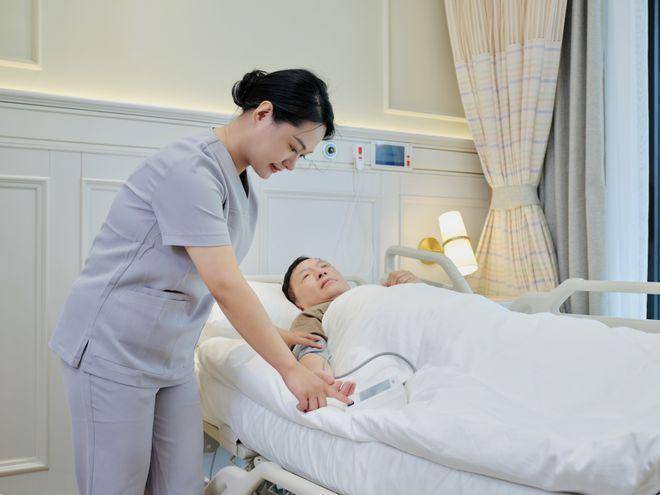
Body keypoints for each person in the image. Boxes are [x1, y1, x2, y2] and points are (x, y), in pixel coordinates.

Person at [49, 69, 351, 495]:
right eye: (293, 147)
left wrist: (280, 337)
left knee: (181, 486)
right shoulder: (189, 170)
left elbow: (204, 282)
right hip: (112, 350)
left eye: (302, 156)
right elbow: (226, 286)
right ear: (263, 114)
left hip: (170, 356)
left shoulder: (242, 184)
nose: (291, 163)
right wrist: (290, 371)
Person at [282, 256, 420, 389]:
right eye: (306, 276)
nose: (321, 272)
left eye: (324, 266)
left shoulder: (378, 290)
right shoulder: (312, 315)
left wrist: (413, 285)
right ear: (297, 302)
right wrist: (316, 374)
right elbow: (310, 348)